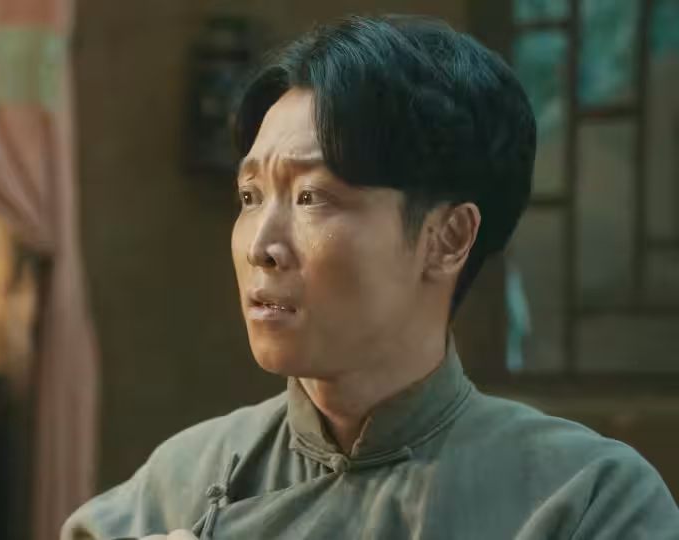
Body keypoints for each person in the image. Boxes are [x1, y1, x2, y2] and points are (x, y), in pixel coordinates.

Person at [62, 15, 679, 540]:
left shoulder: (586, 499)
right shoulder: (175, 487)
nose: (262, 247)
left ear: (448, 238)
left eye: (312, 197)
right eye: (250, 197)